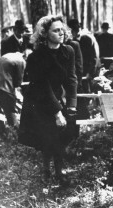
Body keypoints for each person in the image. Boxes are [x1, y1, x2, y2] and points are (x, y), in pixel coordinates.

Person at [19, 16, 77, 183]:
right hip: (40, 99)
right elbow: (42, 85)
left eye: (62, 29)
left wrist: (72, 104)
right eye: (55, 30)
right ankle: (47, 170)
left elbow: (72, 78)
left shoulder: (68, 51)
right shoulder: (36, 57)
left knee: (63, 134)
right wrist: (57, 112)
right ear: (45, 34)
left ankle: (59, 170)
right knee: (47, 135)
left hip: (59, 95)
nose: (61, 33)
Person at [0, 51, 26, 130]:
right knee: (10, 111)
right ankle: (15, 134)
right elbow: (18, 81)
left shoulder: (7, 55)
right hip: (5, 87)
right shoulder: (22, 61)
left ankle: (0, 130)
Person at [68, 19, 100, 93]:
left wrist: (90, 72)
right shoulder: (80, 38)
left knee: (88, 92)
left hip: (90, 70)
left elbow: (93, 57)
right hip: (86, 70)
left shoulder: (86, 38)